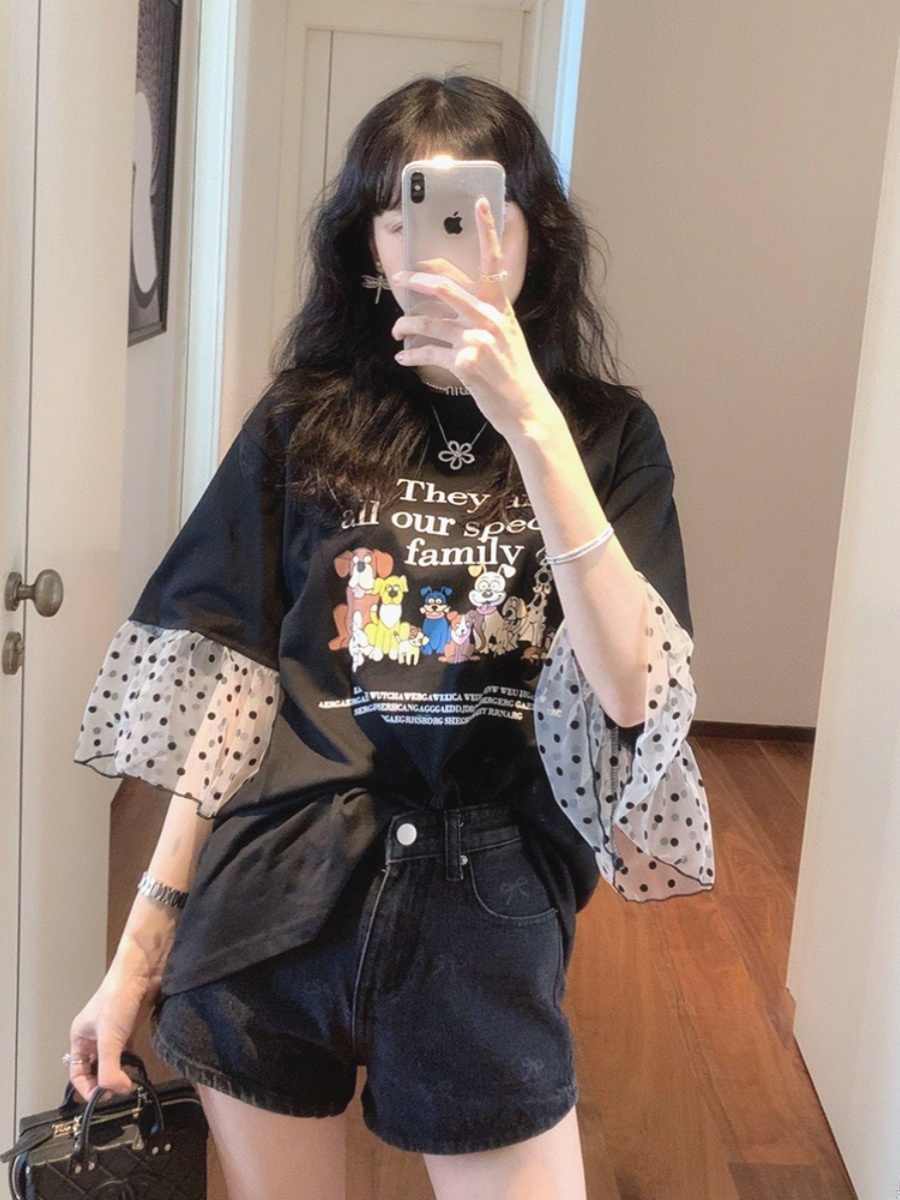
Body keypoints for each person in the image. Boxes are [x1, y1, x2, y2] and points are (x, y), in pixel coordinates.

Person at [65, 74, 714, 1199]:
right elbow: (233, 700)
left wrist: (530, 421)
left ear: (533, 234)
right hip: (273, 904)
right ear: (369, 246)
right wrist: (136, 960)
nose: (442, 243)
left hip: (484, 913)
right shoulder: (305, 416)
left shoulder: (606, 435)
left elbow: (630, 693)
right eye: (404, 210)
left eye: (478, 209)